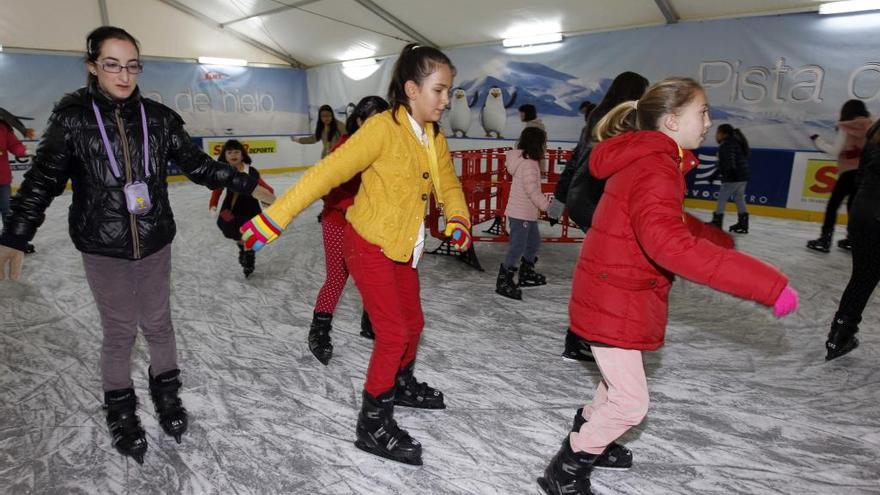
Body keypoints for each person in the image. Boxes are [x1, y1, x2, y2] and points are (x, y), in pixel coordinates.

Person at [0, 26, 273, 464]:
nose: (123, 75)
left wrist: (245, 182)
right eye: (111, 65)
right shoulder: (72, 118)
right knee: (120, 331)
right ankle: (121, 409)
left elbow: (197, 165)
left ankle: (167, 395)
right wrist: (15, 234)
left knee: (160, 324)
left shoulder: (158, 118)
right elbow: (41, 182)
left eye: (131, 66)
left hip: (153, 239)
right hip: (101, 244)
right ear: (92, 65)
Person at [536, 77, 798, 495]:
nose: (710, 122)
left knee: (616, 384)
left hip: (620, 286)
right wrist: (764, 284)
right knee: (631, 403)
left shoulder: (653, 158)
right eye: (703, 112)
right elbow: (669, 245)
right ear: (673, 120)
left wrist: (714, 239)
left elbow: (660, 220)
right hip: (616, 291)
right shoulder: (656, 165)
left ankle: (591, 431)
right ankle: (567, 469)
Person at [239, 43, 470, 466]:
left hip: (403, 246)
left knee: (414, 323)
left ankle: (401, 383)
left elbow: (448, 184)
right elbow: (327, 172)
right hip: (368, 245)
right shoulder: (382, 129)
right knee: (394, 333)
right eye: (439, 90)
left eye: (449, 92)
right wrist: (276, 217)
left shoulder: (432, 134)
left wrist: (457, 217)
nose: (445, 100)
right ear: (412, 89)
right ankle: (372, 423)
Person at [549, 71, 650, 363]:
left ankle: (582, 336)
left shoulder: (597, 116)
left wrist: (561, 196)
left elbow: (576, 157)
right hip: (601, 203)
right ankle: (585, 337)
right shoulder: (627, 119)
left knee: (600, 271)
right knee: (607, 274)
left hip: (584, 199)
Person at [307, 95, 389, 366]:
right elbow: (327, 184)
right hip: (339, 220)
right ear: (359, 121)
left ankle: (370, 321)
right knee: (337, 276)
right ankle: (319, 331)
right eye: (371, 119)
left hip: (371, 221)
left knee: (374, 271)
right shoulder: (346, 147)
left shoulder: (388, 149)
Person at [824, 119, 880, 360]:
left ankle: (839, 337)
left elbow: (859, 178)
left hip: (862, 210)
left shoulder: (875, 132)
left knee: (863, 277)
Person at [806, 99, 873, 252]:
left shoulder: (846, 127)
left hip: (849, 173)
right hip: (865, 173)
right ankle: (854, 240)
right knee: (853, 207)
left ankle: (825, 239)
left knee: (833, 205)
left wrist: (818, 141)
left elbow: (835, 151)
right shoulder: (872, 126)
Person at [208, 139, 276, 278]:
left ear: (242, 154)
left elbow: (264, 187)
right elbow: (217, 190)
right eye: (230, 152)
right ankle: (242, 246)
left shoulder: (252, 172)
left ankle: (249, 256)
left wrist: (269, 198)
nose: (233, 154)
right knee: (229, 226)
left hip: (250, 207)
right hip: (231, 208)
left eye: (237, 151)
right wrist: (213, 205)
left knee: (251, 233)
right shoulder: (224, 171)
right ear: (225, 156)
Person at [496, 127, 550, 300]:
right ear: (536, 144)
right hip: (520, 213)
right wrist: (548, 207)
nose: (545, 147)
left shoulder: (529, 162)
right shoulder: (528, 164)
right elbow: (532, 191)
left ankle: (526, 271)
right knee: (517, 246)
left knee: (533, 242)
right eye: (543, 144)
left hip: (528, 213)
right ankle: (504, 279)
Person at [708, 124, 751, 233]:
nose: (716, 136)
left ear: (723, 134)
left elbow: (728, 162)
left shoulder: (726, 144)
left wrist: (726, 175)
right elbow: (728, 162)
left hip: (734, 177)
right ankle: (743, 223)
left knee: (722, 198)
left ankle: (717, 221)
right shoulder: (736, 142)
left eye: (717, 133)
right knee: (739, 198)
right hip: (742, 176)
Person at [0, 118, 31, 249]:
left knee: (7, 209)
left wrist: (24, 151)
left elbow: (14, 145)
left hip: (2, 179)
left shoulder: (2, 127)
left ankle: (10, 241)